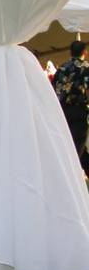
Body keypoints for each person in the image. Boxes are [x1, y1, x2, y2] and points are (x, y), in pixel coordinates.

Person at [53, 40, 89, 175]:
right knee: (78, 144)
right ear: (84, 52)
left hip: (62, 112)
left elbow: (54, 91)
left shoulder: (61, 69)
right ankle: (71, 175)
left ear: (70, 52)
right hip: (79, 110)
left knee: (69, 143)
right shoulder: (85, 68)